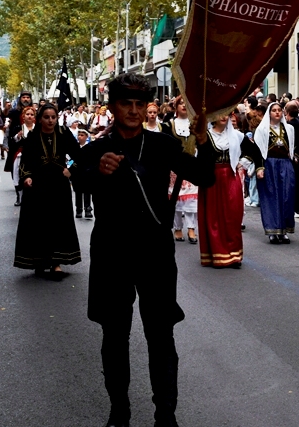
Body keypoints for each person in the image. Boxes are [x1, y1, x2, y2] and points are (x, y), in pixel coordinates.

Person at [76, 73, 214, 427]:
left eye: (140, 104)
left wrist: (204, 140)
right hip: (111, 254)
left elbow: (205, 177)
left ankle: (165, 414)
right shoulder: (95, 148)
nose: (134, 111)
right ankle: (118, 410)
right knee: (114, 335)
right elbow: (76, 178)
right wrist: (98, 172)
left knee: (161, 336)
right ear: (112, 107)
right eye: (127, 103)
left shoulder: (164, 145)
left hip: (155, 254)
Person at [13, 103, 82, 278]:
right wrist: (26, 177)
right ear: (40, 119)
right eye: (46, 117)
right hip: (38, 186)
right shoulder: (33, 136)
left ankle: (56, 263)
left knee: (58, 222)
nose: (50, 120)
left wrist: (70, 169)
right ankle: (40, 260)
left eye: (53, 117)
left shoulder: (63, 133)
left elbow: (79, 155)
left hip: (59, 185)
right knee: (39, 223)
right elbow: (25, 162)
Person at [198, 111, 246, 268]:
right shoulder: (206, 136)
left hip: (231, 178)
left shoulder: (236, 136)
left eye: (227, 114)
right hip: (213, 180)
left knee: (233, 216)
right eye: (220, 114)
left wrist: (242, 163)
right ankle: (218, 253)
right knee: (214, 218)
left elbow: (253, 151)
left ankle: (234, 254)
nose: (224, 117)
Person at [254, 101, 297, 244]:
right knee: (271, 196)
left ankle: (284, 230)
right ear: (269, 113)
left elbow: (295, 147)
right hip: (270, 164)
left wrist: (295, 158)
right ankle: (272, 230)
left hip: (285, 164)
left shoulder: (289, 128)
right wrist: (260, 168)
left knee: (286, 196)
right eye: (274, 110)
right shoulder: (262, 130)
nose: (277, 112)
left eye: (279, 110)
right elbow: (258, 150)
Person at [164, 98, 199, 245]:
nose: (184, 106)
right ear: (176, 107)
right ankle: (177, 227)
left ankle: (191, 228)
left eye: (187, 104)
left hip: (191, 165)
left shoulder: (196, 125)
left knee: (192, 200)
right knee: (176, 199)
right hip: (175, 167)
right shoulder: (168, 125)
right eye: (181, 104)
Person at [10, 105, 36, 207]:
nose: (29, 116)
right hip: (20, 155)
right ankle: (19, 196)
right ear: (23, 116)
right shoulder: (18, 128)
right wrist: (17, 137)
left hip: (34, 156)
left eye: (31, 114)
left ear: (34, 117)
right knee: (17, 174)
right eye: (27, 114)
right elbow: (12, 141)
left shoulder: (38, 129)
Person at [73, 129, 93, 219]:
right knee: (78, 191)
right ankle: (79, 209)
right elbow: (70, 159)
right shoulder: (75, 148)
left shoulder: (90, 147)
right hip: (77, 172)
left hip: (87, 172)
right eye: (79, 135)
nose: (80, 137)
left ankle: (88, 208)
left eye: (82, 135)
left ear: (86, 137)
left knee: (87, 191)